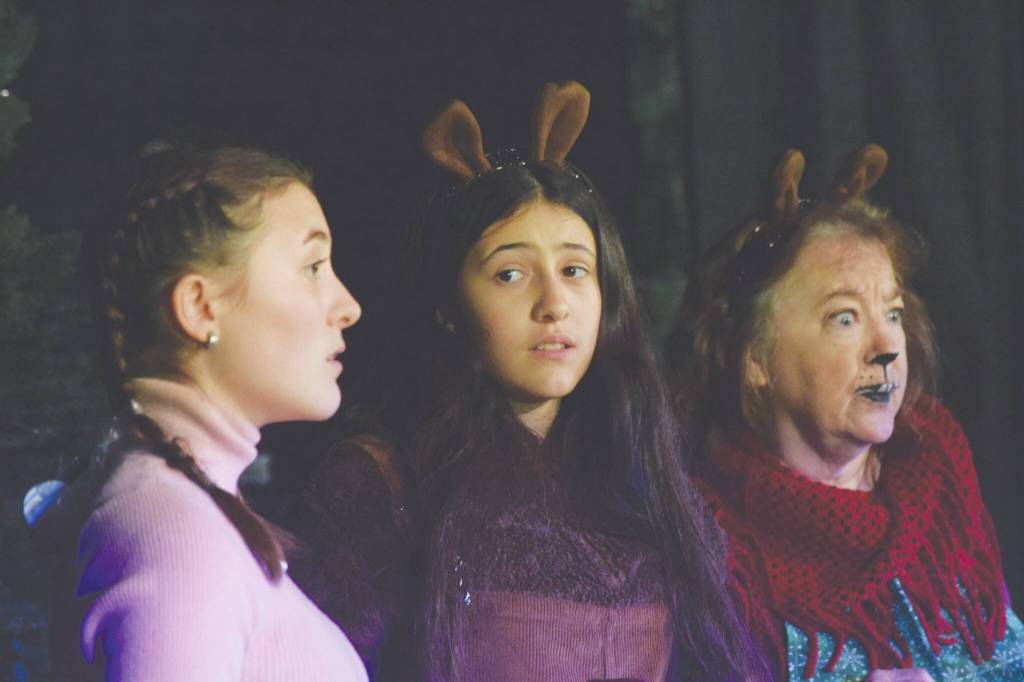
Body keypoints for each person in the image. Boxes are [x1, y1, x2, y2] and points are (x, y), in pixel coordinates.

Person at [396, 81, 767, 681]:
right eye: (511, 274)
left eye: (574, 270)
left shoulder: (646, 474)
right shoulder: (394, 483)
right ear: (447, 305)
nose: (554, 304)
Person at [668, 145, 1024, 681]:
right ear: (756, 357)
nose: (887, 346)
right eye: (845, 317)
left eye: (894, 312)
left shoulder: (938, 471)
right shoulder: (707, 546)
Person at [45, 144, 369, 681]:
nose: (347, 305)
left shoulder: (182, 511)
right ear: (199, 307)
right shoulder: (176, 534)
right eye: (312, 266)